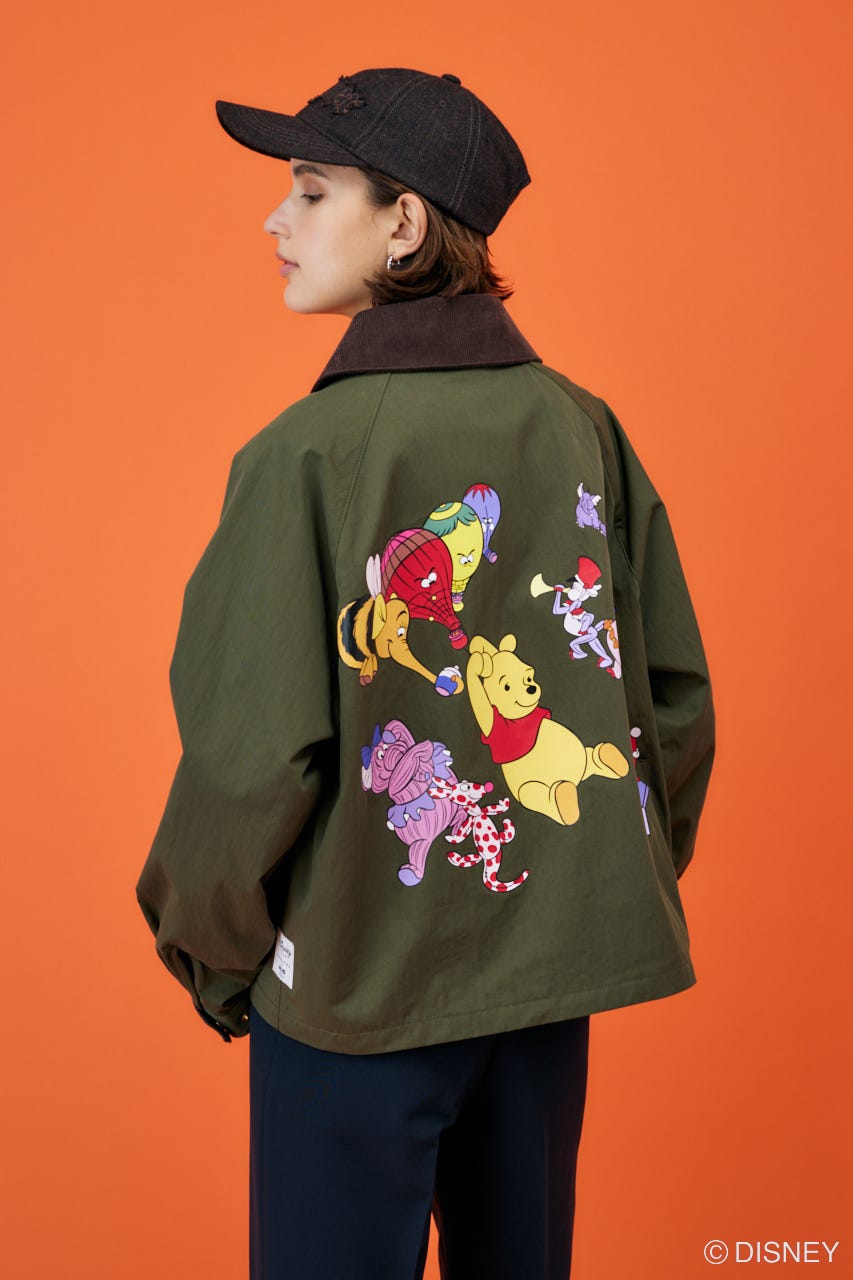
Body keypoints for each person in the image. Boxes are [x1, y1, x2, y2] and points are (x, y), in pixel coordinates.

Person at [135, 67, 715, 1280]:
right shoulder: (583, 425)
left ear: (402, 223)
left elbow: (251, 758)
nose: (275, 219)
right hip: (547, 991)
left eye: (311, 191)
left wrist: (214, 954)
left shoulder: (301, 456)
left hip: (353, 998)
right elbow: (666, 699)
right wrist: (585, 890)